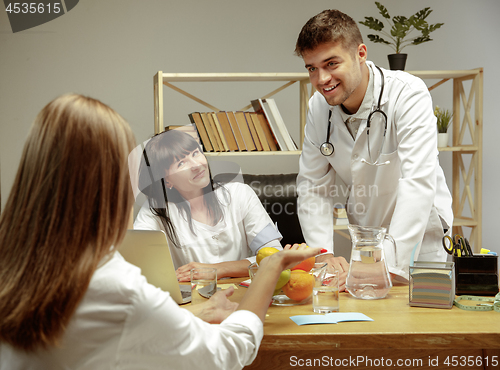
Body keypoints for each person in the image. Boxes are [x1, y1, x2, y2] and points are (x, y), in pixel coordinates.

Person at [0, 94, 320, 369]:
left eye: (196, 153)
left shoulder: (14, 271)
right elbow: (225, 354)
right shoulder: (120, 284)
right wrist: (269, 270)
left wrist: (192, 314)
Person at [294, 10, 453, 282]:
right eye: (312, 68)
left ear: (361, 53)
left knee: (417, 320)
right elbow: (313, 187)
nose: (321, 80)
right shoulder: (318, 107)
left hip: (419, 244)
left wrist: (385, 263)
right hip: (367, 240)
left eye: (331, 63)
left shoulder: (407, 93)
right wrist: (322, 255)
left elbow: (417, 183)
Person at [133, 130, 283, 281]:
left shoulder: (240, 194)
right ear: (166, 181)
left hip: (242, 295)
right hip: (193, 301)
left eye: (195, 153)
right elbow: (136, 264)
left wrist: (219, 269)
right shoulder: (156, 209)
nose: (196, 165)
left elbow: (275, 255)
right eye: (181, 163)